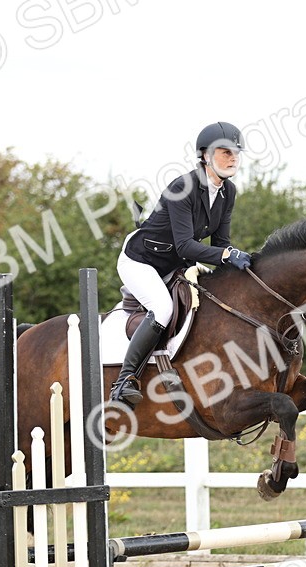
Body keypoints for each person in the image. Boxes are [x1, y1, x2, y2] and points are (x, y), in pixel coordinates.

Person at [108, 121, 254, 407]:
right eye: (225, 152)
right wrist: (227, 256)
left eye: (236, 153)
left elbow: (221, 243)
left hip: (175, 264)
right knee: (162, 308)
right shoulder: (183, 187)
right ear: (206, 156)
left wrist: (241, 266)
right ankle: (125, 380)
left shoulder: (228, 191)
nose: (233, 158)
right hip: (141, 261)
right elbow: (186, 244)